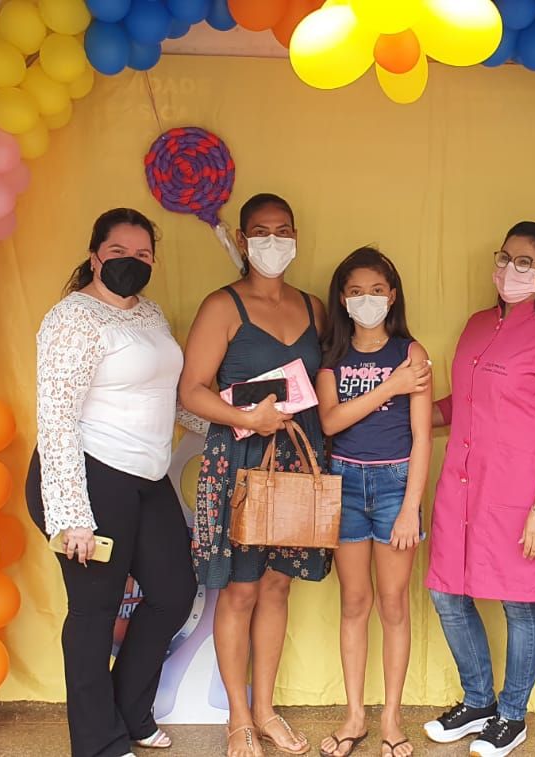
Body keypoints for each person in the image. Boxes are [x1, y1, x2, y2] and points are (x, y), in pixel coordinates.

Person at [24, 208, 200, 757]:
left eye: (143, 254)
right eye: (119, 252)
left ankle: (129, 713)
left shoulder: (150, 313)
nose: (132, 262)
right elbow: (55, 417)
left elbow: (166, 395)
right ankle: (98, 742)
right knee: (94, 613)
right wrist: (72, 516)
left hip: (146, 478)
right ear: (95, 255)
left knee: (173, 594)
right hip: (89, 477)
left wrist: (226, 420)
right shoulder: (72, 318)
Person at [423, 222, 535, 757]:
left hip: (521, 495)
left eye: (525, 262)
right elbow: (463, 401)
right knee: (447, 592)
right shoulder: (476, 326)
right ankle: (478, 702)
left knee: (519, 602)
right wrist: (407, 414)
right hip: (461, 489)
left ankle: (512, 715)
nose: (510, 270)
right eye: (505, 258)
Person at [179, 193, 329, 757]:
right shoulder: (222, 306)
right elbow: (191, 390)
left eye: (283, 230)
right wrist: (248, 418)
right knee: (240, 590)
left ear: (296, 237)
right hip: (240, 462)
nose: (274, 241)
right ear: (243, 240)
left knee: (276, 584)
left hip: (297, 462)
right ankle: (238, 717)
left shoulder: (314, 307)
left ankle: (265, 710)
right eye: (262, 231)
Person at [313, 248, 433, 757]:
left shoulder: (411, 353)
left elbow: (422, 438)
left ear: (393, 295)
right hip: (344, 484)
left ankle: (390, 719)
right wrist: (391, 386)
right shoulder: (331, 356)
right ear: (342, 298)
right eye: (357, 291)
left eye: (377, 290)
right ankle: (355, 716)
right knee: (354, 602)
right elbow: (330, 421)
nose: (368, 299)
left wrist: (410, 508)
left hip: (394, 485)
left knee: (393, 604)